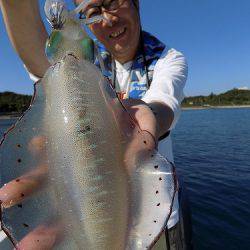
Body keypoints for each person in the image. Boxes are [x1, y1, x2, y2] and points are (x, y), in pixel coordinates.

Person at [0, 0, 190, 249]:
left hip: (159, 214)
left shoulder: (167, 58)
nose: (109, 19)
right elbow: (35, 52)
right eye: (94, 12)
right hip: (85, 209)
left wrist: (144, 118)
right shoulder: (88, 59)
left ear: (136, 4)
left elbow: (163, 104)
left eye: (113, 2)